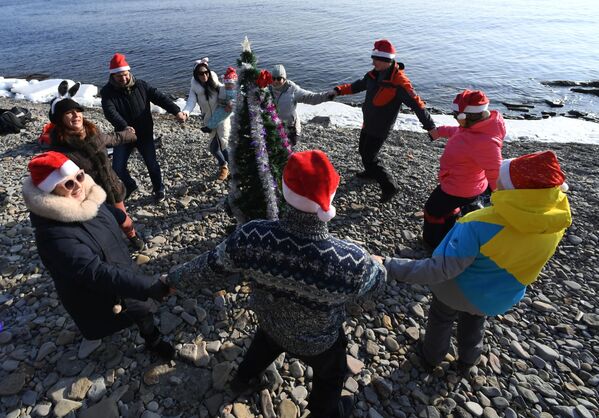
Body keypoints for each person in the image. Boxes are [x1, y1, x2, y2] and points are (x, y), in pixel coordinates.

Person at [168, 150, 387, 418]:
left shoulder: (253, 235)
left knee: (265, 344)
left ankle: (242, 380)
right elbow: (377, 286)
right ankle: (324, 412)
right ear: (331, 197)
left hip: (270, 322)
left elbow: (209, 267)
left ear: (285, 191)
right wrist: (377, 264)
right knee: (332, 374)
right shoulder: (351, 260)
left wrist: (170, 280)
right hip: (318, 341)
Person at [377, 150, 571, 373]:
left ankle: (431, 357)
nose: (496, 183)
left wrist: (388, 263)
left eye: (501, 180)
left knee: (441, 317)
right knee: (475, 319)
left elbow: (441, 269)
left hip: (457, 290)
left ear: (515, 191)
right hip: (499, 296)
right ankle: (469, 359)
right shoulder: (557, 222)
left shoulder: (478, 222)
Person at [22, 151, 175, 359]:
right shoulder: (52, 235)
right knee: (116, 311)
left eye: (79, 176)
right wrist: (147, 286)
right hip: (96, 290)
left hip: (120, 267)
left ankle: (153, 339)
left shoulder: (87, 196)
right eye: (67, 184)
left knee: (142, 311)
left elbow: (101, 210)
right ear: (49, 192)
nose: (77, 185)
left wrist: (118, 215)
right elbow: (93, 271)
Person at [330, 39, 437, 203]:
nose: (373, 62)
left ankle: (390, 187)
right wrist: (339, 90)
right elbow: (357, 86)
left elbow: (417, 105)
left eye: (376, 59)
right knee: (363, 150)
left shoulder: (399, 83)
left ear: (386, 60)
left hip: (381, 128)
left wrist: (430, 126)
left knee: (369, 156)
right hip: (368, 122)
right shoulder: (373, 74)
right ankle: (371, 173)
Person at [48, 91, 145, 250]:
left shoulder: (93, 132)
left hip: (112, 187)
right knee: (103, 226)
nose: (76, 115)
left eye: (78, 111)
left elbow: (113, 138)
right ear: (60, 119)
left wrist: (130, 134)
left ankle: (133, 237)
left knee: (124, 220)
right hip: (89, 196)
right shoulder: (59, 149)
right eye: (69, 113)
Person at [423, 89, 505, 249]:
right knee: (447, 208)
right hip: (461, 180)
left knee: (432, 210)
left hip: (460, 187)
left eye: (456, 116)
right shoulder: (479, 126)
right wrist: (439, 132)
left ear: (467, 117)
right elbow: (458, 131)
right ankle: (448, 232)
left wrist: (498, 196)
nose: (455, 118)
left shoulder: (485, 142)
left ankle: (433, 244)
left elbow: (495, 171)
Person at [101, 53, 186, 203]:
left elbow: (160, 98)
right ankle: (130, 185)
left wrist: (176, 111)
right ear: (113, 76)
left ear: (129, 72)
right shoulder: (107, 92)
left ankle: (159, 188)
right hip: (123, 136)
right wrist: (124, 126)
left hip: (144, 134)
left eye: (125, 75)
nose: (123, 79)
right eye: (119, 76)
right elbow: (110, 111)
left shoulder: (141, 85)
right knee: (118, 167)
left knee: (151, 164)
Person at [182, 58, 231, 181]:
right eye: (201, 73)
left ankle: (229, 168)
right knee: (213, 148)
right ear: (196, 75)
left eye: (206, 72)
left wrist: (231, 101)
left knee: (223, 143)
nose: (204, 75)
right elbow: (191, 102)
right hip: (208, 119)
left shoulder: (215, 83)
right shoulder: (195, 88)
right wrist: (186, 112)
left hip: (221, 116)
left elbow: (227, 91)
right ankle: (225, 165)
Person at [268, 64, 331, 146]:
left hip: (290, 128)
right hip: (272, 127)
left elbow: (311, 97)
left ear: (284, 79)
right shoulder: (267, 89)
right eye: (273, 78)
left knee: (288, 152)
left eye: (279, 78)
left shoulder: (292, 90)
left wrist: (328, 96)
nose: (276, 81)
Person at [203, 66, 237, 134]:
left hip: (228, 108)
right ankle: (210, 126)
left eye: (230, 84)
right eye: (227, 84)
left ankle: (210, 127)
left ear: (234, 84)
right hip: (221, 105)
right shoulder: (223, 88)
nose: (228, 86)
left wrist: (231, 103)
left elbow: (237, 99)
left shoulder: (235, 91)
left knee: (219, 116)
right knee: (216, 115)